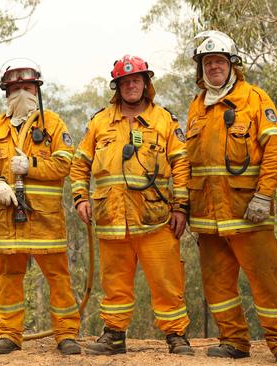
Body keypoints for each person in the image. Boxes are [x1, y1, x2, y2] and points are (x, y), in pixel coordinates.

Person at [186, 31, 277, 366]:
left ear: (233, 64)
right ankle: (234, 340)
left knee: (267, 281)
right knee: (217, 285)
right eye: (208, 62)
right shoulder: (197, 105)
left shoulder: (254, 99)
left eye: (220, 61)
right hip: (208, 217)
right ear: (201, 68)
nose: (214, 67)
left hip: (248, 213)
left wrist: (264, 196)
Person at [70, 55, 193, 356]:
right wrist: (80, 198)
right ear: (118, 87)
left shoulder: (164, 120)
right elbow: (79, 164)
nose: (131, 86)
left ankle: (176, 336)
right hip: (112, 218)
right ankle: (114, 335)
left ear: (146, 84)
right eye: (125, 82)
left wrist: (181, 207)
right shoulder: (100, 122)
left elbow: (181, 164)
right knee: (114, 282)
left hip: (156, 218)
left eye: (136, 80)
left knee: (166, 280)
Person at [0, 58, 81, 355]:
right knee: (9, 278)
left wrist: (30, 165)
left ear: (38, 89)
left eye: (27, 86)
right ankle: (9, 334)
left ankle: (66, 334)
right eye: (16, 87)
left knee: (58, 278)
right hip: (8, 220)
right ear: (6, 92)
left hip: (45, 221)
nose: (22, 92)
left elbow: (65, 164)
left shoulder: (53, 124)